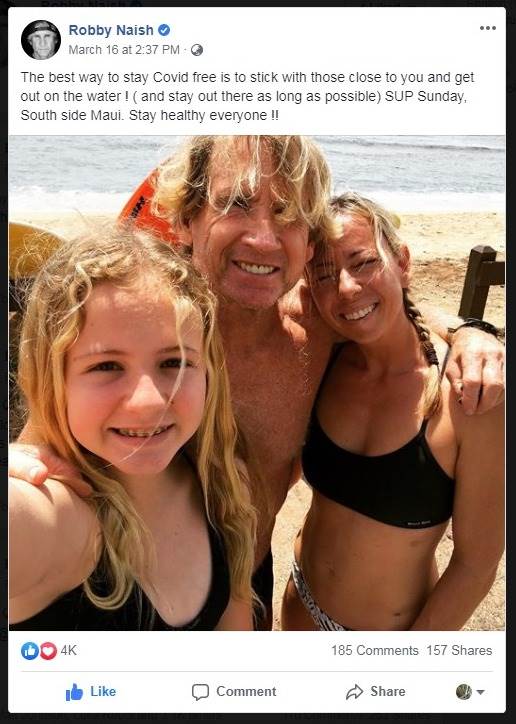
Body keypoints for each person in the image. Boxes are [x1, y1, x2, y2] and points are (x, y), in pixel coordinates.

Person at [9, 136, 506, 629]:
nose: (265, 240)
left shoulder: (316, 327)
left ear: (308, 243)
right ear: (186, 218)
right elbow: (42, 451)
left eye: (288, 215)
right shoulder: (139, 331)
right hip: (123, 599)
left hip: (249, 585)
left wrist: (467, 331)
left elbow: (381, 307)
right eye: (236, 204)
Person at [9, 229, 256, 630]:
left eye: (174, 362)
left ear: (209, 371)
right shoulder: (60, 513)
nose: (149, 402)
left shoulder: (223, 483)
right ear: (52, 380)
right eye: (106, 366)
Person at [281, 193, 504, 631]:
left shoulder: (470, 394)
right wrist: (466, 328)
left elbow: (476, 565)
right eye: (323, 274)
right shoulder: (324, 357)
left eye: (364, 262)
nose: (346, 288)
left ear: (401, 262)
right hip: (299, 602)